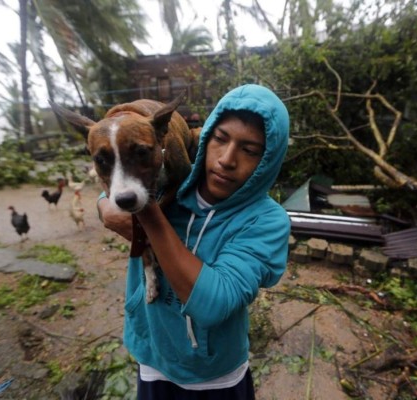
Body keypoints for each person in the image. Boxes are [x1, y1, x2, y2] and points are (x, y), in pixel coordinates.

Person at [97, 84, 290, 399]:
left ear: (269, 159)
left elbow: (213, 304)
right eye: (220, 139)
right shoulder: (168, 179)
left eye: (250, 150)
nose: (227, 159)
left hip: (214, 377)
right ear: (205, 137)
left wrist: (146, 214)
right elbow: (115, 183)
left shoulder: (267, 222)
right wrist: (104, 206)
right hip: (152, 355)